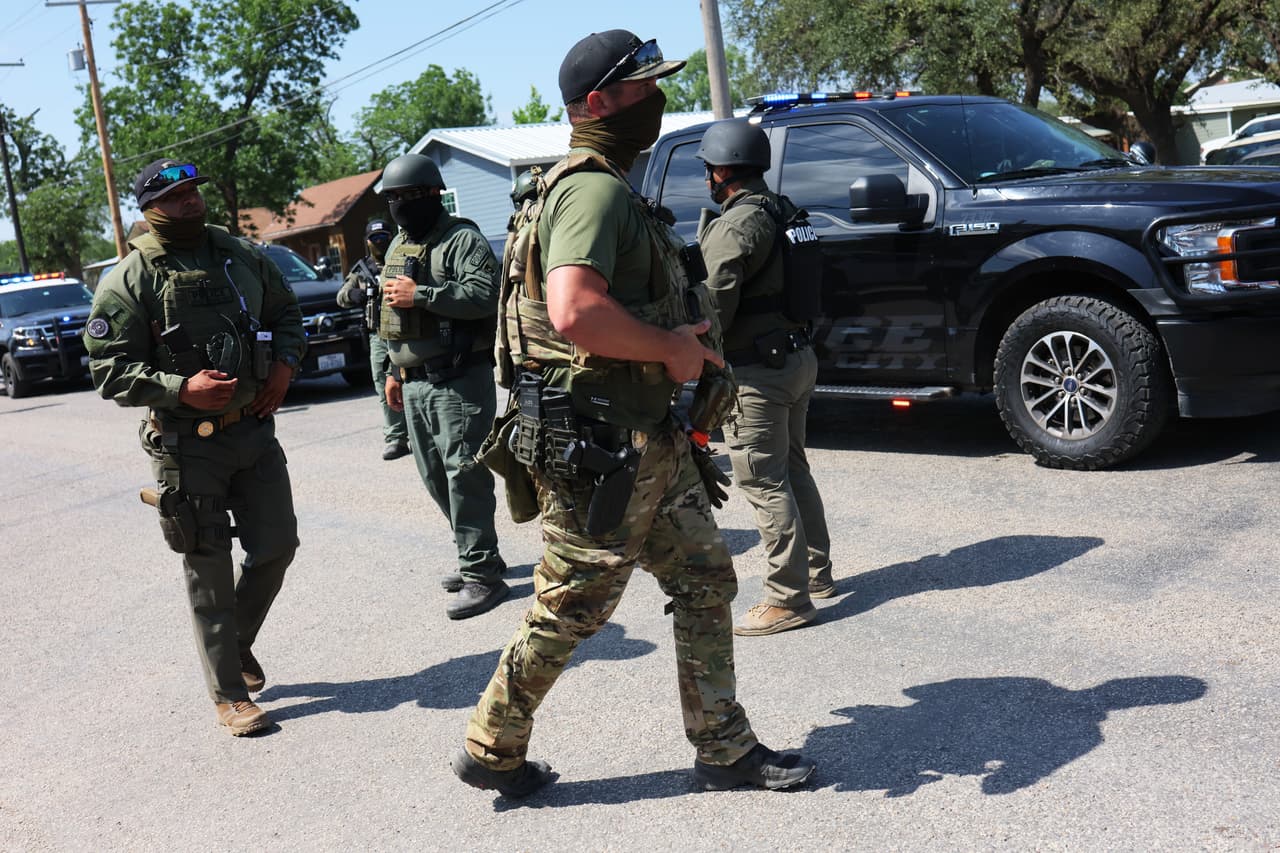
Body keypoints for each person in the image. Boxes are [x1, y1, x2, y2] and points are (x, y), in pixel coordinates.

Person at [452, 29, 817, 798]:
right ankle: (492, 741)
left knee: (705, 578)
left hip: (642, 435)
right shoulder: (592, 189)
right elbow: (575, 309)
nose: (657, 99)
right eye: (643, 87)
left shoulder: (597, 183)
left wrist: (669, 344)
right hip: (603, 445)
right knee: (572, 605)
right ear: (597, 104)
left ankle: (723, 747)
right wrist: (673, 351)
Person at [82, 159, 304, 736]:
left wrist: (284, 366)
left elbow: (285, 314)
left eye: (194, 194)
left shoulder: (242, 255)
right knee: (207, 566)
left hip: (253, 430)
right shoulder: (128, 279)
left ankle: (234, 646)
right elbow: (109, 371)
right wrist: (181, 388)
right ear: (149, 208)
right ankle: (229, 695)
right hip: (187, 443)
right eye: (176, 197)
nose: (190, 204)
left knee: (278, 545)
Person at [694, 119, 835, 637]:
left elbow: (715, 303)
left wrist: (691, 350)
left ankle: (787, 598)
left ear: (725, 169)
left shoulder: (737, 225)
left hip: (758, 371)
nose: (707, 177)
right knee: (793, 468)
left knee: (763, 479)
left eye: (709, 168)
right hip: (796, 358)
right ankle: (816, 573)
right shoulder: (786, 209)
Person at [377, 153, 509, 620]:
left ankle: (482, 574)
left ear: (431, 194)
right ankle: (477, 553)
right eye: (392, 199)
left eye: (406, 197)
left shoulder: (462, 239)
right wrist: (395, 371)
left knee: (463, 474)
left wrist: (426, 296)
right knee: (435, 476)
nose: (398, 206)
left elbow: (484, 296)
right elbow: (392, 318)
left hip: (457, 379)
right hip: (413, 384)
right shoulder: (399, 245)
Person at [336, 218, 411, 460]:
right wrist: (355, 294)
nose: (380, 242)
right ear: (367, 242)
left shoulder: (404, 261)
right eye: (375, 239)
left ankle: (422, 433)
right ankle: (396, 438)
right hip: (379, 336)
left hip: (407, 333)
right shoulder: (362, 271)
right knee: (384, 385)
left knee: (414, 383)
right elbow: (341, 296)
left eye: (384, 237)